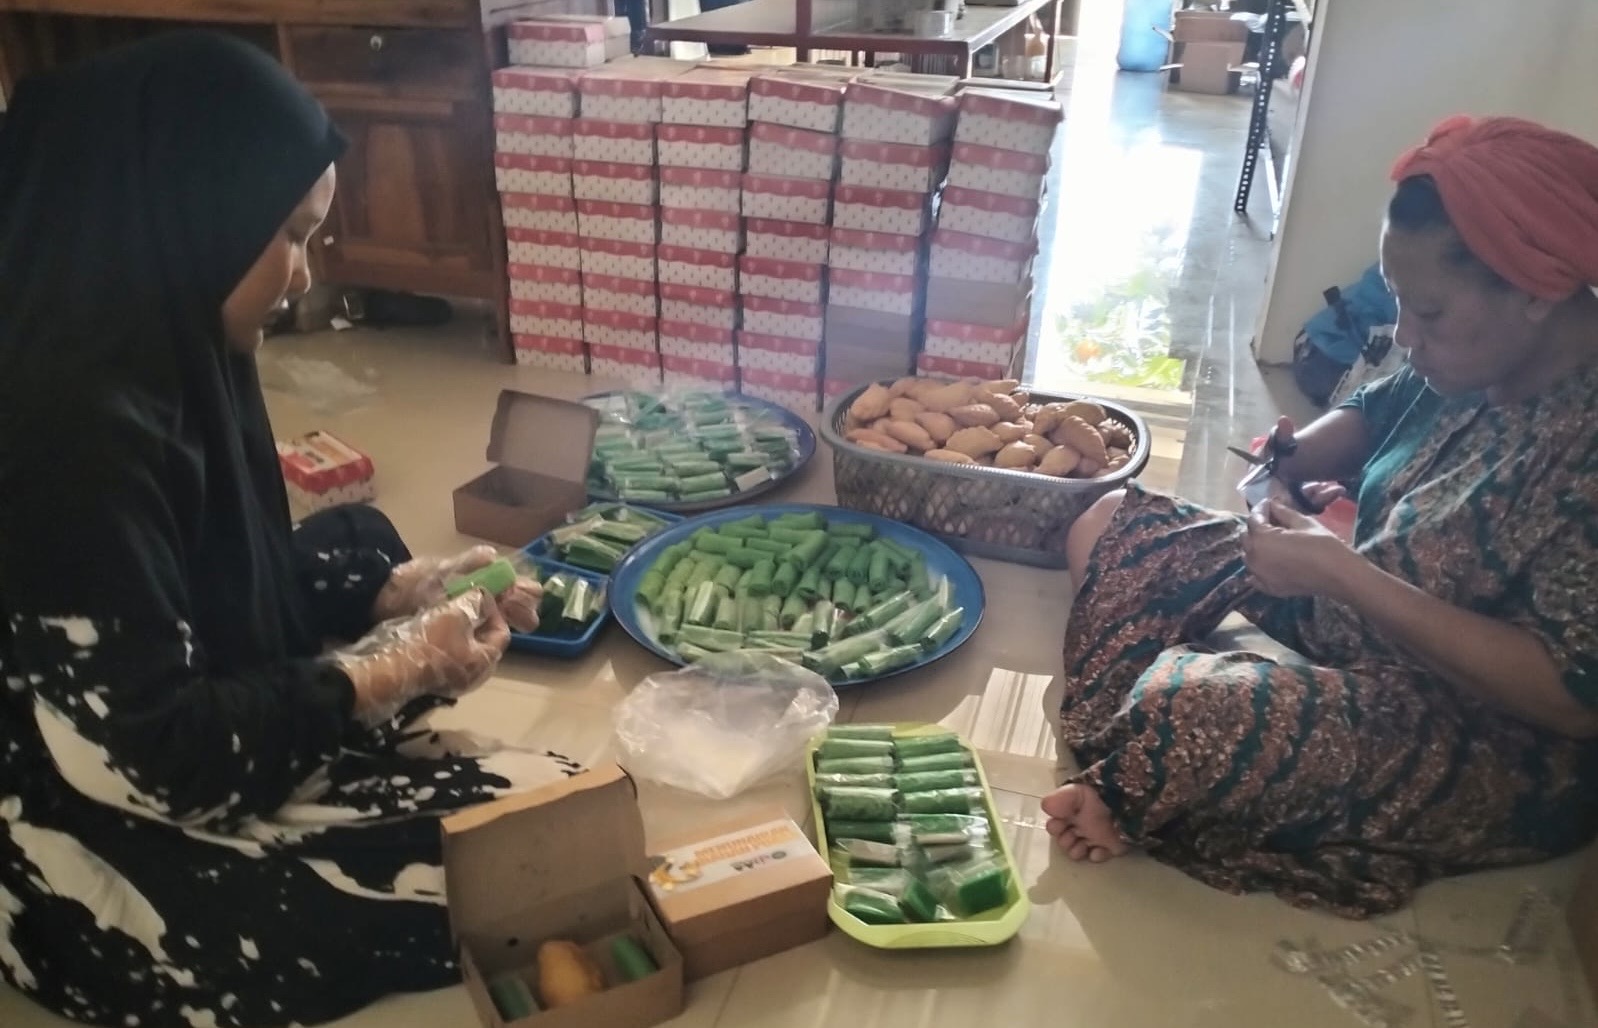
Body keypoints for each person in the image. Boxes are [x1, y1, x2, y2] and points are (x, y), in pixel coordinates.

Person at [0, 32, 582, 1026]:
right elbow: (153, 762)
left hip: (158, 722)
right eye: (291, 237)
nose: (305, 277)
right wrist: (391, 670)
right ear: (196, 218)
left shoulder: (166, 338)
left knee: (373, 555)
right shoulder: (64, 431)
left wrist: (395, 596)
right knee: (515, 857)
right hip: (80, 795)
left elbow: (217, 580)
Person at [1040, 115, 1598, 918]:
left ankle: (1162, 750)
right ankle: (1161, 759)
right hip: (1361, 614)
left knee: (1196, 711)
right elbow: (1379, 406)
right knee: (1110, 521)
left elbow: (1570, 699)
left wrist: (1344, 575)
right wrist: (1295, 456)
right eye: (1399, 304)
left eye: (1429, 313)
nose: (1407, 337)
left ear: (1538, 292)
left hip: (1491, 730)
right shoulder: (1483, 355)